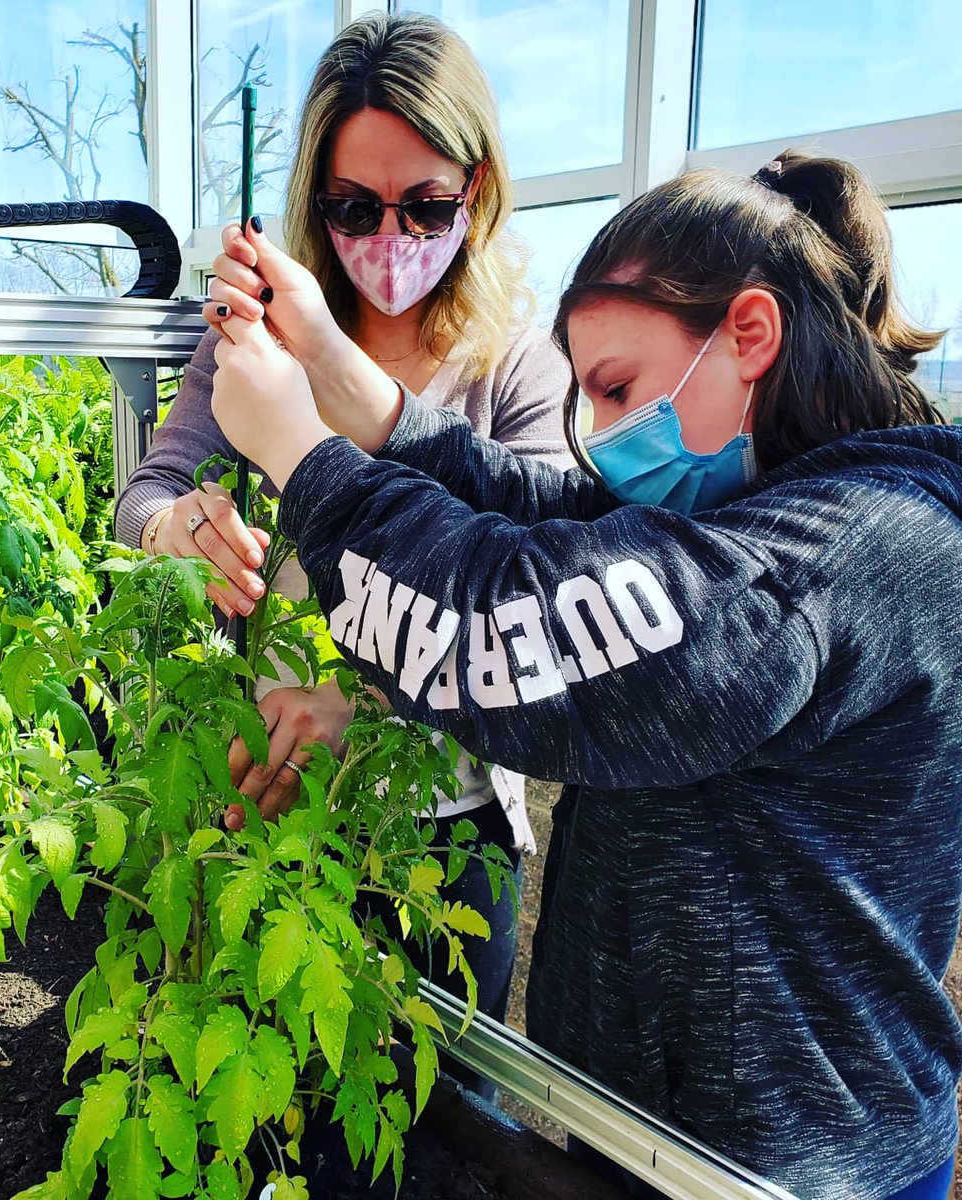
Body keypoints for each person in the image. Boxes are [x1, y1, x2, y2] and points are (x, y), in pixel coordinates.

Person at [203, 150, 962, 1200]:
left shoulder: (839, 556)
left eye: (619, 389)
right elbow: (544, 511)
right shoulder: (779, 500)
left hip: (780, 1172)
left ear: (750, 335)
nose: (603, 442)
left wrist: (303, 455)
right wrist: (343, 376)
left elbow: (511, 623)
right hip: (670, 1138)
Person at [113, 11, 573, 1037]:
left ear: (479, 191)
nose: (391, 241)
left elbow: (539, 610)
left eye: (427, 206)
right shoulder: (256, 337)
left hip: (442, 839)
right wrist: (178, 528)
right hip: (267, 808)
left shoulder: (516, 370)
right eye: (355, 207)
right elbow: (145, 493)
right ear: (313, 203)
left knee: (439, 1132)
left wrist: (359, 714)